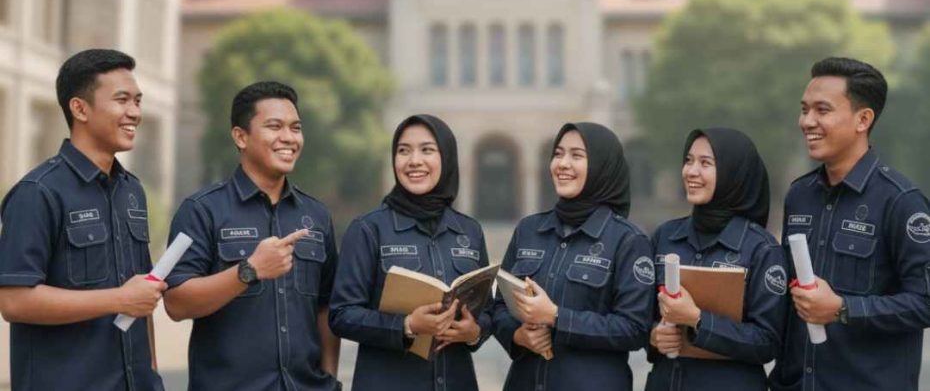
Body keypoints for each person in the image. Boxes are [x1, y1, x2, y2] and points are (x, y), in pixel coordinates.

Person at [0, 49, 165, 390]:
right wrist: (119, 299)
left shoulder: (132, 191)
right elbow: (14, 301)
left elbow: (142, 294)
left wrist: (152, 373)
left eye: (137, 101)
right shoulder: (38, 193)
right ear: (79, 108)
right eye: (122, 100)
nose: (135, 112)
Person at [163, 81, 340, 390]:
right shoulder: (201, 210)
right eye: (274, 126)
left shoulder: (317, 216)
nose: (289, 138)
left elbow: (326, 307)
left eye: (296, 128)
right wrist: (249, 270)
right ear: (240, 136)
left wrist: (329, 378)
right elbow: (176, 303)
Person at [769, 57, 930, 391]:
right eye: (804, 109)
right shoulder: (799, 195)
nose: (807, 121)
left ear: (863, 119)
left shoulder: (901, 202)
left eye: (822, 110)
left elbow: (924, 302)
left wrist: (842, 309)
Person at [329, 114, 491, 391]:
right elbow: (342, 315)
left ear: (447, 158)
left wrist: (475, 332)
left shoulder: (469, 231)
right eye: (403, 151)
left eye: (427, 150)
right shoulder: (368, 229)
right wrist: (407, 325)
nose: (414, 160)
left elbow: (488, 310)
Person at [491, 122, 653, 391]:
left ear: (602, 166)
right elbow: (498, 307)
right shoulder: (529, 229)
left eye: (576, 155)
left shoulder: (628, 240)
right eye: (558, 154)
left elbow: (634, 328)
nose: (562, 164)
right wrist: (517, 335)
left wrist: (556, 316)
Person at [645, 128, 787, 390]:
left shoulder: (762, 249)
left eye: (705, 163)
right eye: (688, 160)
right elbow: (637, 318)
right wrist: (654, 335)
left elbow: (767, 342)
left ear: (733, 174)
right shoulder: (665, 236)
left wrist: (697, 319)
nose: (691, 171)